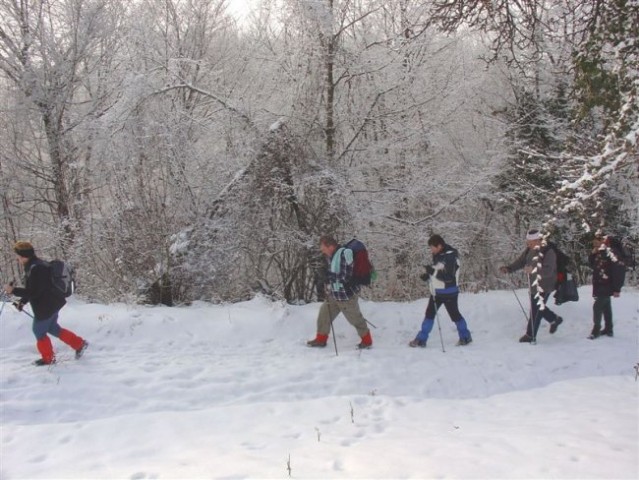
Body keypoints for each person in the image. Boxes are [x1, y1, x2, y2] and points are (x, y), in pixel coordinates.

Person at [3, 241, 88, 366]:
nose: (17, 259)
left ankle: (48, 359)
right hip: (53, 303)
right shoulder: (35, 265)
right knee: (53, 328)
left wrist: (13, 290)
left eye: (18, 256)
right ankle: (79, 344)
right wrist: (22, 302)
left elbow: (34, 292)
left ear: (24, 256)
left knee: (38, 331)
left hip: (46, 307)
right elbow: (34, 289)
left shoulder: (36, 269)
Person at [307, 235, 373, 349]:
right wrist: (325, 276)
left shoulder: (343, 255)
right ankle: (320, 340)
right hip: (335, 294)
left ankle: (367, 341)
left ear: (330, 246)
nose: (322, 251)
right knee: (324, 314)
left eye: (323, 248)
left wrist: (327, 277)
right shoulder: (333, 256)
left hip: (346, 295)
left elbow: (345, 277)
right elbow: (335, 273)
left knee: (355, 319)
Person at [499, 229, 563, 342]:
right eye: (527, 242)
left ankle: (530, 335)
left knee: (536, 309)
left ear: (538, 240)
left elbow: (549, 270)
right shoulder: (529, 249)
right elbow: (521, 261)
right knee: (537, 307)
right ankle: (554, 319)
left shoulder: (549, 251)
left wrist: (533, 269)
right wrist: (509, 268)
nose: (528, 244)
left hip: (546, 284)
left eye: (530, 242)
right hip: (534, 283)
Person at [409, 234, 472, 348]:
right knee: (429, 314)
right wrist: (428, 276)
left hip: (449, 292)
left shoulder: (451, 256)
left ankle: (465, 337)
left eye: (432, 247)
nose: (431, 250)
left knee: (455, 315)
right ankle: (421, 339)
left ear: (439, 246)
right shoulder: (437, 255)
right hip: (436, 292)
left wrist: (432, 273)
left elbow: (448, 277)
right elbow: (437, 271)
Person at [588, 234, 625, 339]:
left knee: (597, 306)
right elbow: (593, 265)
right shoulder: (600, 252)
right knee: (606, 306)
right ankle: (609, 329)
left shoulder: (612, 252)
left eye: (596, 241)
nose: (594, 243)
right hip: (600, 283)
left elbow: (618, 270)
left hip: (607, 284)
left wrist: (617, 288)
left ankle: (596, 330)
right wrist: (593, 254)